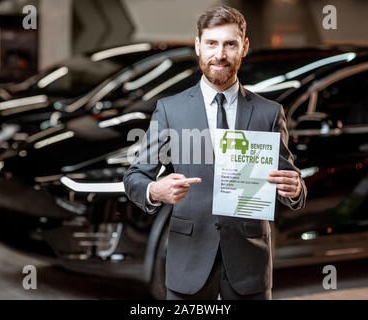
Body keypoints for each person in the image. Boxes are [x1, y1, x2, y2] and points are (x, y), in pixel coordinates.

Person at [123, 5, 307, 300]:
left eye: (230, 44)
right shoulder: (171, 110)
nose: (220, 54)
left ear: (244, 48)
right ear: (198, 46)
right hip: (188, 261)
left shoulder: (269, 113)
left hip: (249, 265)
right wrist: (155, 190)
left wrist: (295, 189)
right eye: (211, 43)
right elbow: (134, 178)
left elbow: (291, 181)